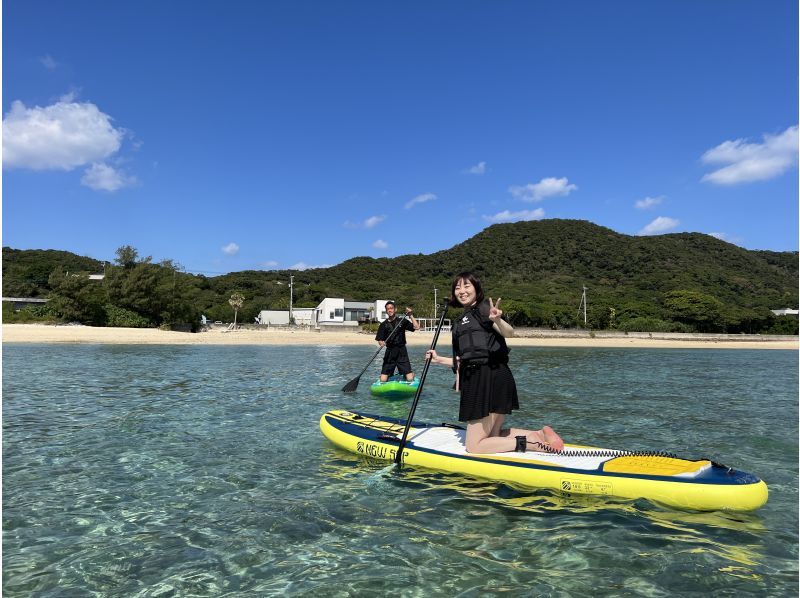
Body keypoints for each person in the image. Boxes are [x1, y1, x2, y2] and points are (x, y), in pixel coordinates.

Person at [426, 272, 565, 454]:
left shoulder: (484, 310)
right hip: (496, 376)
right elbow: (465, 360)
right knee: (494, 434)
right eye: (457, 287)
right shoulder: (460, 322)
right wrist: (438, 360)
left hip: (486, 378)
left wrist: (497, 319)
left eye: (467, 286)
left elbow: (509, 333)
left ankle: (532, 445)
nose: (462, 291)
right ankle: (538, 435)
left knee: (474, 446)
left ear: (477, 288)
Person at [375, 301, 420, 382]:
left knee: (410, 379)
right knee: (383, 380)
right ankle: (388, 375)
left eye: (391, 308)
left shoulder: (402, 321)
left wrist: (411, 315)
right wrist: (381, 343)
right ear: (386, 311)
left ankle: (410, 374)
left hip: (401, 351)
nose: (390, 310)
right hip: (390, 352)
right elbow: (380, 340)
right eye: (388, 309)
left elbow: (416, 327)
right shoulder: (383, 325)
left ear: (395, 309)